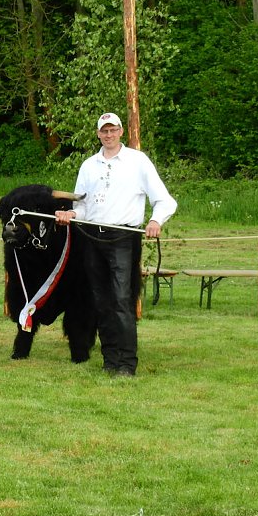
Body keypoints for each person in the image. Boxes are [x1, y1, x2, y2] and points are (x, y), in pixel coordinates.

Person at [54, 112, 177, 377]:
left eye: (113, 130)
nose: (108, 135)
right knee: (101, 301)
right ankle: (110, 359)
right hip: (92, 238)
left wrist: (155, 221)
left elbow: (165, 201)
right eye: (104, 131)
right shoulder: (89, 165)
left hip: (123, 238)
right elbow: (83, 206)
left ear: (121, 131)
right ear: (98, 134)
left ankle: (127, 364)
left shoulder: (138, 161)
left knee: (122, 299)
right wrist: (71, 214)